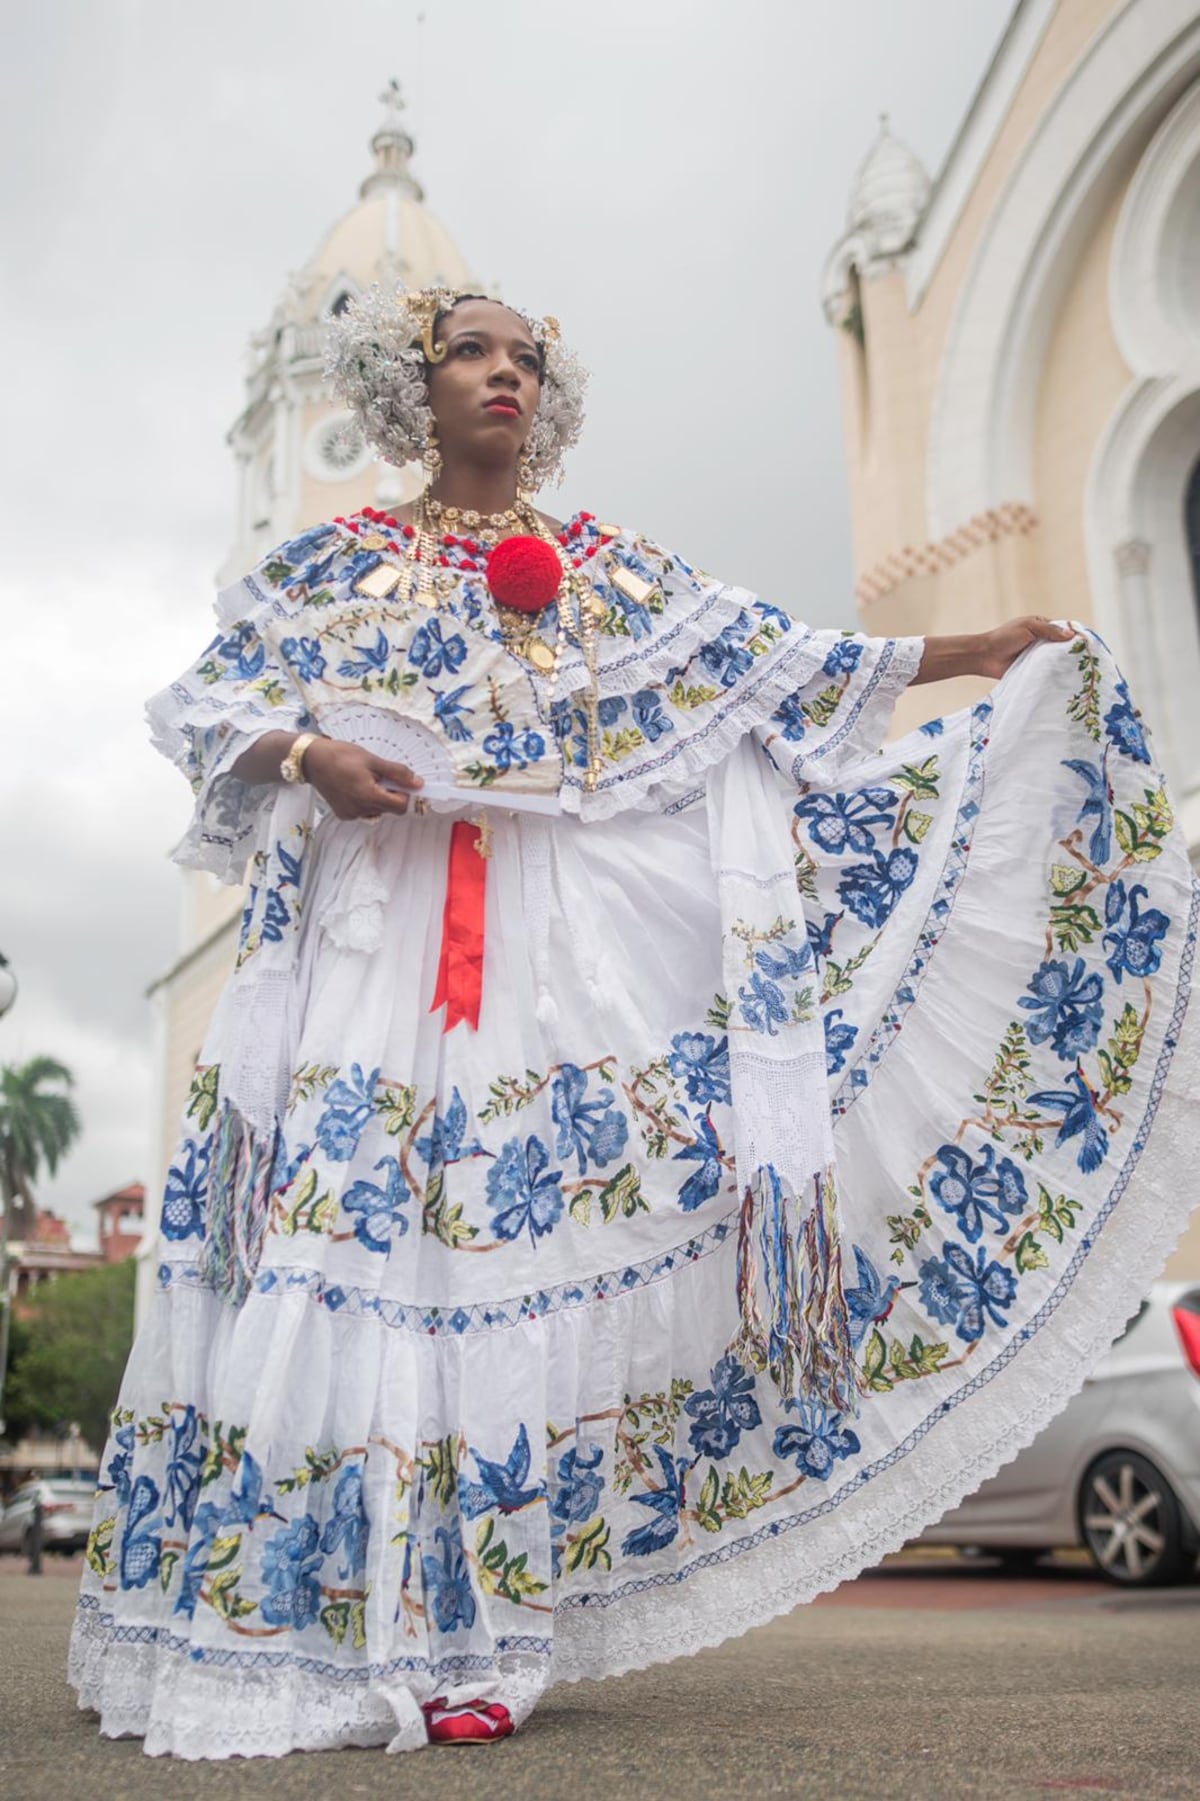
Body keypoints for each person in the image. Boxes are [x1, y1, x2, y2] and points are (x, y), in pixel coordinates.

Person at [70, 290, 1199, 1758]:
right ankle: (317, 1616)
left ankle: (487, 1632)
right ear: (418, 385)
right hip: (374, 960)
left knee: (506, 1256)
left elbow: (772, 662)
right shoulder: (338, 563)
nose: (506, 375)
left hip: (545, 969)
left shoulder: (606, 573)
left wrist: (977, 648)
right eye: (474, 350)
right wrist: (310, 752)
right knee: (354, 1249)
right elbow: (202, 706)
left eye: (527, 357)